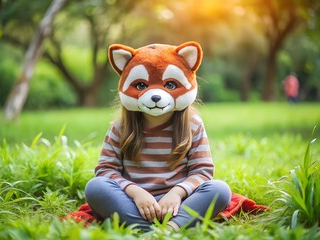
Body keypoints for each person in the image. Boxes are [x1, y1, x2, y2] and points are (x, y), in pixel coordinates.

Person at [85, 42, 231, 232]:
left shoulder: (193, 124)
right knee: (95, 187)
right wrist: (136, 192)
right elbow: (105, 170)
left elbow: (202, 171)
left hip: (178, 203)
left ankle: (167, 228)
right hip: (134, 203)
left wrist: (177, 194)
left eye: (170, 85)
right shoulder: (120, 127)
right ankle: (155, 230)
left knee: (219, 190)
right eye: (141, 85)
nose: (155, 94)